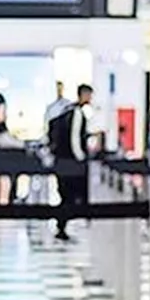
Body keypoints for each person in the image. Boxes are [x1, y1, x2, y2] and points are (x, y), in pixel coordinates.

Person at [50, 83, 92, 242]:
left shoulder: (67, 110)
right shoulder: (77, 113)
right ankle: (62, 225)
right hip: (71, 161)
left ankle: (62, 226)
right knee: (70, 195)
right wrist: (80, 158)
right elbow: (75, 138)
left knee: (65, 194)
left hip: (62, 159)